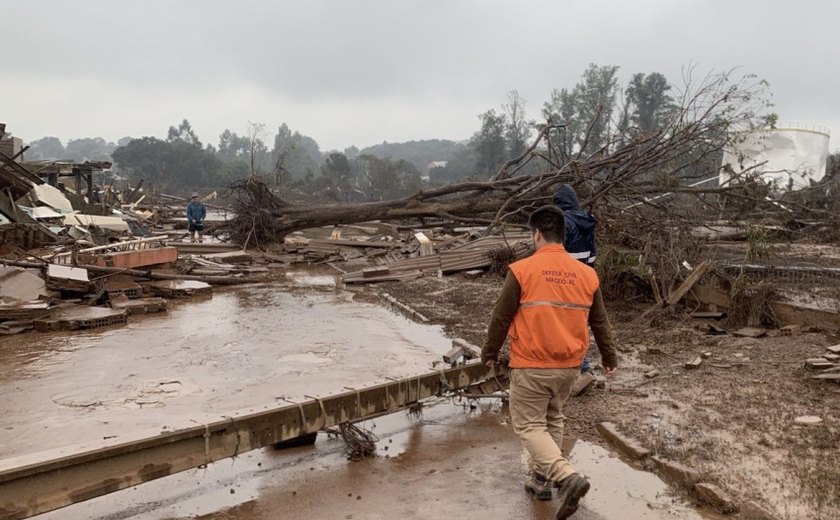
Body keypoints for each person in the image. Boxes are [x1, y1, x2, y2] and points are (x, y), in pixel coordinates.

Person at [481, 205, 618, 520]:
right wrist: (609, 356)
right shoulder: (587, 274)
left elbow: (500, 318)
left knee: (529, 425)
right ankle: (541, 480)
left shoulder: (522, 270)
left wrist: (489, 352)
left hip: (532, 364)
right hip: (569, 367)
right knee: (552, 419)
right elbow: (600, 321)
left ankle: (566, 478)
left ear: (537, 234)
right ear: (564, 235)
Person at [553, 184, 598, 373]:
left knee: (560, 321)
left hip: (563, 279)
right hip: (584, 276)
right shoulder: (586, 221)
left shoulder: (562, 222)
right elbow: (593, 253)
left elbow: (555, 252)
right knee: (580, 321)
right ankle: (582, 362)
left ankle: (568, 362)